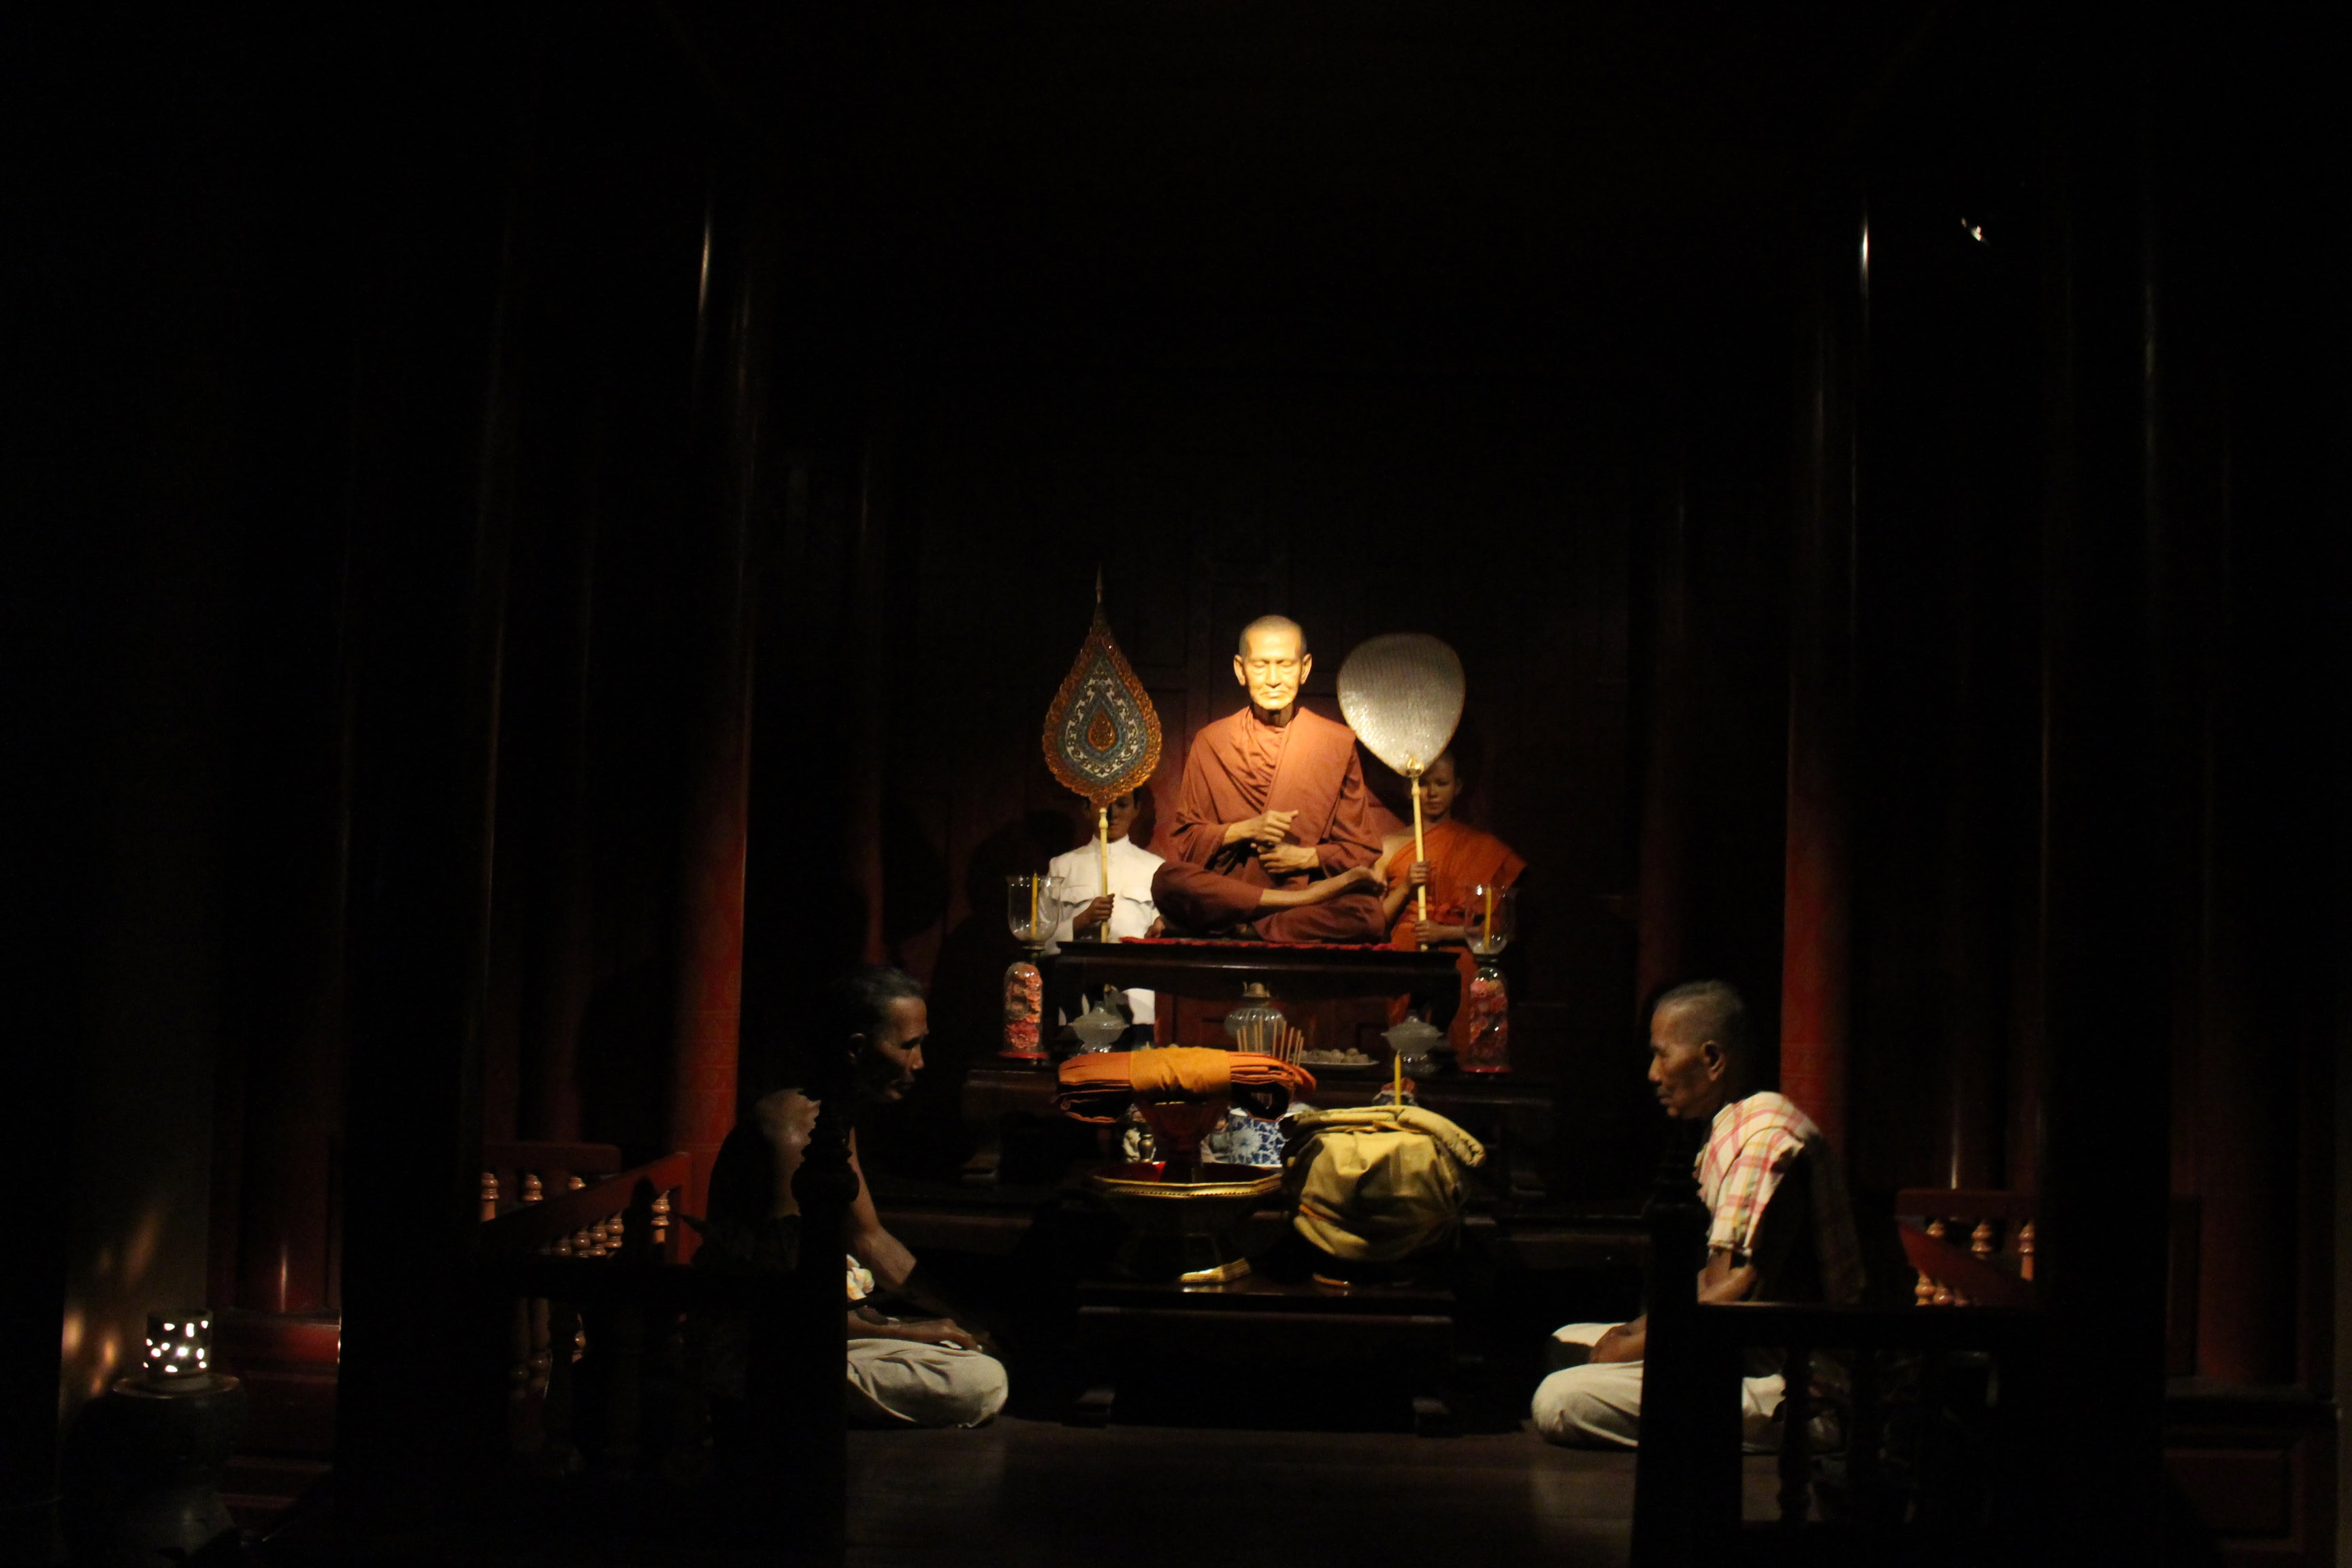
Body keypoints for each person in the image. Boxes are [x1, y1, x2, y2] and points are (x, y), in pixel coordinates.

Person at [1531, 980, 1862, 1450]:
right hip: (1728, 1350)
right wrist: (1631, 1334)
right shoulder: (1730, 1127)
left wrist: (1629, 1345)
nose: (1652, 1074)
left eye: (1662, 1055)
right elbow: (1709, 1282)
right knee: (1562, 1342)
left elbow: (1731, 1296)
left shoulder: (1765, 1140)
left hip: (1787, 1383)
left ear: (1712, 1060)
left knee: (1559, 1399)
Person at [703, 967, 1007, 1428]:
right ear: (856, 1049)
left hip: (828, 1328)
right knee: (979, 1382)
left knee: (975, 1353)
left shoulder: (831, 1116)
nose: (920, 1063)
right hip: (767, 1349)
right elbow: (789, 1305)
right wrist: (914, 1331)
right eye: (908, 1046)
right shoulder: (791, 1134)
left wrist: (965, 1320)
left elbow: (871, 1240)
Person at [1150, 615, 1386, 941]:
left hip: (1300, 892)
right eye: (1261, 666)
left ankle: (1246, 928)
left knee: (1368, 915)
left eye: (1285, 665)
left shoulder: (1334, 743)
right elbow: (1188, 843)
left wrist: (1306, 857)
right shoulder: (1212, 741)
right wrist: (1246, 829)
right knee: (1168, 878)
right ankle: (1276, 913)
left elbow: (1361, 848)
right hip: (1233, 893)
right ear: (1240, 670)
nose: (1273, 679)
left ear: (1304, 669)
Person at [1371, 748, 1525, 1051]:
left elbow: (1501, 929)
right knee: (1409, 1049)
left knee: (1461, 1043)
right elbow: (1376, 920)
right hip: (1407, 957)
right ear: (1410, 789)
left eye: (1441, 784)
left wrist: (1445, 933)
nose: (1431, 793)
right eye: (1424, 784)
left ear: (1458, 787)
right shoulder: (1388, 847)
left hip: (1460, 960)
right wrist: (1406, 887)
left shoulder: (1481, 846)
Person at [1045, 787, 1160, 1042]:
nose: (1112, 814)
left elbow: (1165, 938)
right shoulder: (1062, 867)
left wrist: (1159, 931)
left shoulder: (1154, 869)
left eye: (1122, 804)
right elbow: (1042, 941)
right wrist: (1083, 920)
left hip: (1136, 1003)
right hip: (1077, 1005)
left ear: (1137, 809)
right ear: (1086, 809)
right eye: (1102, 804)